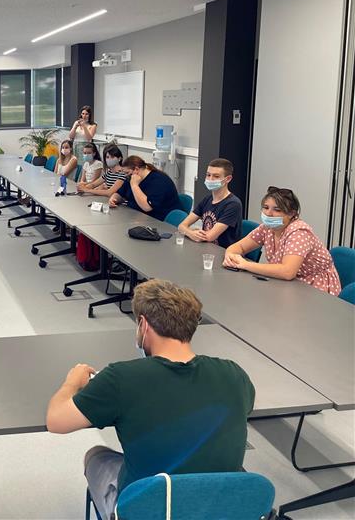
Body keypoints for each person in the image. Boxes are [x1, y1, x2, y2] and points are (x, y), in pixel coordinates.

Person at [46, 280, 254, 520]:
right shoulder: (234, 374)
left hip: (152, 509)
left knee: (95, 456)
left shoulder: (120, 378)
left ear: (144, 325)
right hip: (220, 508)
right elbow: (243, 408)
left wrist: (72, 382)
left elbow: (56, 421)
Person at [224, 187, 341, 295]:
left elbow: (287, 272)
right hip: (286, 284)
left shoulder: (299, 232)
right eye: (266, 207)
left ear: (291, 214)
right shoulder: (267, 228)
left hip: (315, 288)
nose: (268, 214)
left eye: (277, 210)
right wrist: (230, 257)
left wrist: (245, 265)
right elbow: (239, 247)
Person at [178, 158, 242, 247]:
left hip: (223, 252)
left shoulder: (233, 204)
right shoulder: (207, 199)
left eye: (216, 176)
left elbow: (209, 237)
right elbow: (181, 226)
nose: (210, 179)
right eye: (208, 175)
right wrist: (191, 233)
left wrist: (189, 231)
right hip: (205, 247)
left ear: (228, 179)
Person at [109, 155, 181, 221]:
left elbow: (147, 207)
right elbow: (119, 193)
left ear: (136, 169)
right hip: (136, 216)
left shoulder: (159, 181)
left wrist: (134, 186)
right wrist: (113, 199)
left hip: (158, 220)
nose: (126, 176)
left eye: (128, 173)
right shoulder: (131, 177)